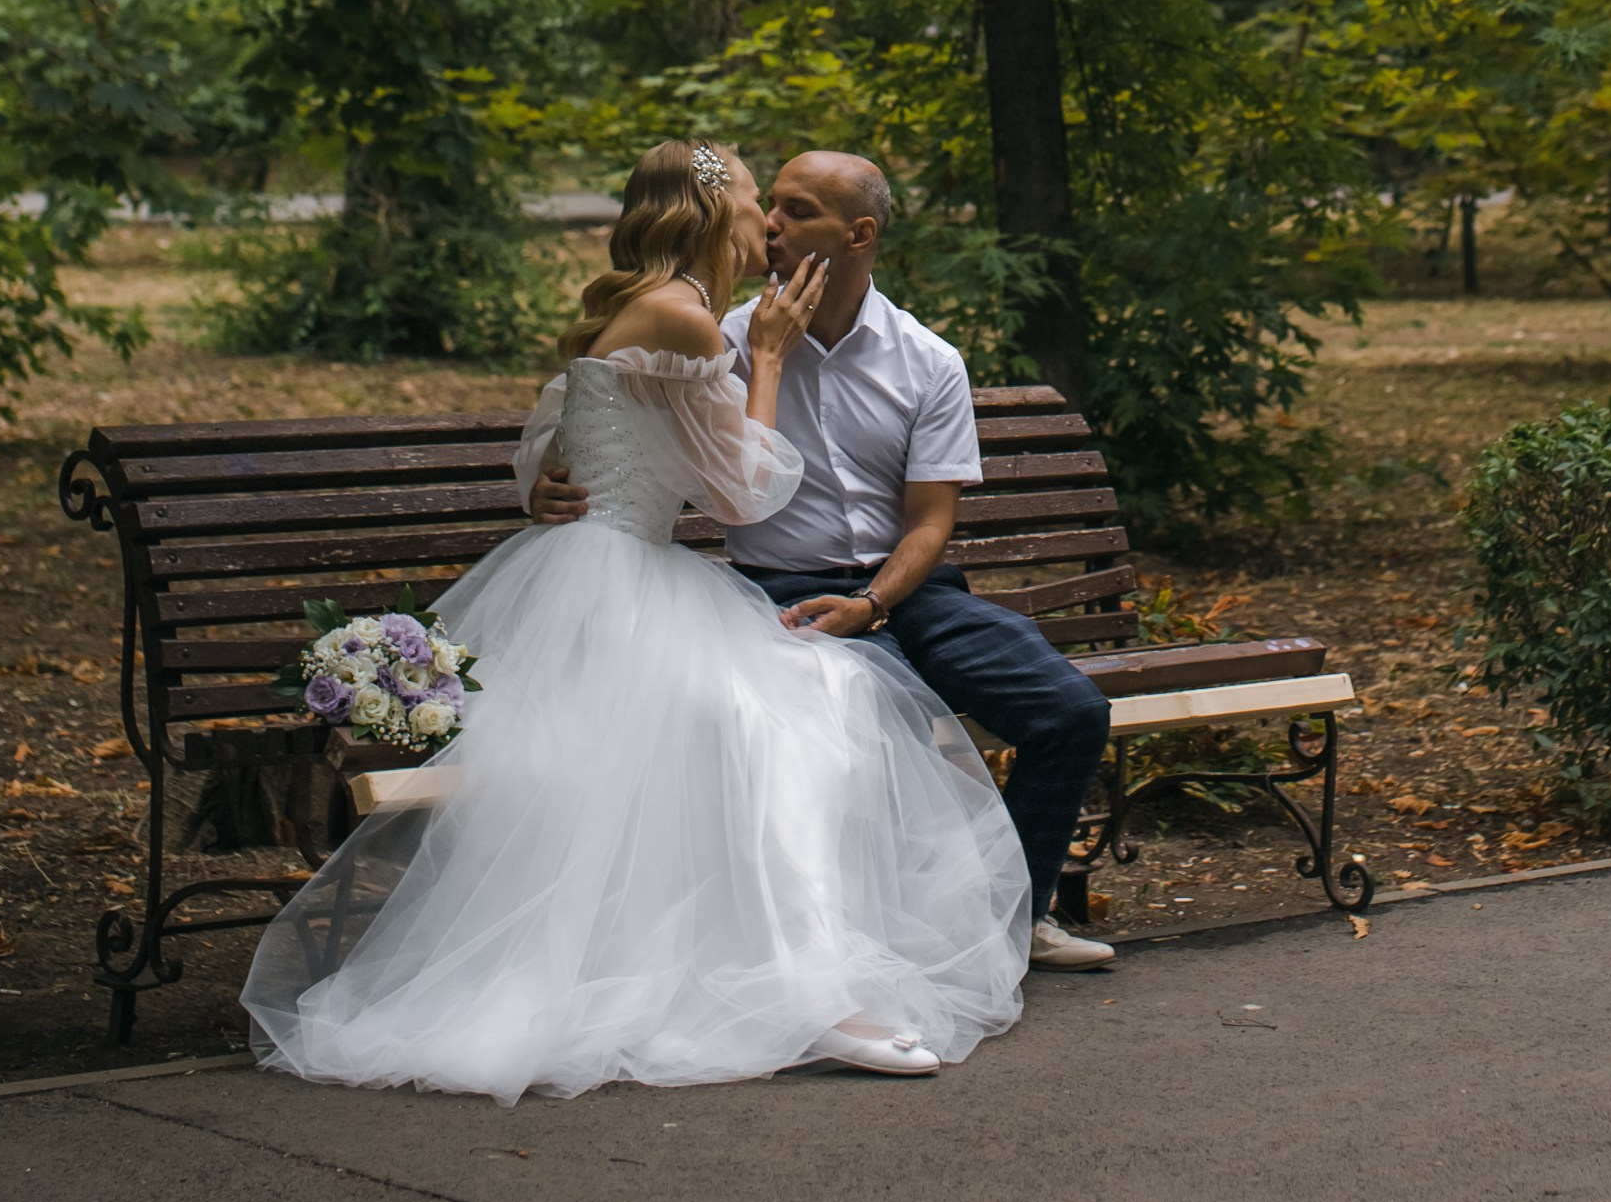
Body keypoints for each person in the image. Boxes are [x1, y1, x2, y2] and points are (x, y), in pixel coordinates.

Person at [242, 140, 1030, 1100]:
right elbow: (745, 496)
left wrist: (547, 481)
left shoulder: (654, 308)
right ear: (710, 213)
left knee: (803, 715)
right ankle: (811, 989)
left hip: (602, 573)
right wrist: (770, 361)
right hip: (620, 587)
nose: (766, 222)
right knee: (782, 723)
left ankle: (791, 973)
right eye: (753, 200)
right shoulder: (689, 320)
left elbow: (551, 426)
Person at [528, 147, 1117, 973]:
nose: (771, 223)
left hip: (906, 591)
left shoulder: (927, 361)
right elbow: (602, 409)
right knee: (872, 721)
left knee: (1071, 712)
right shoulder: (725, 336)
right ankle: (876, 939)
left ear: (859, 233)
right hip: (779, 594)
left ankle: (1012, 914)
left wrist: (874, 605)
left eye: (798, 211)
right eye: (768, 204)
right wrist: (556, 485)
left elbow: (929, 524)